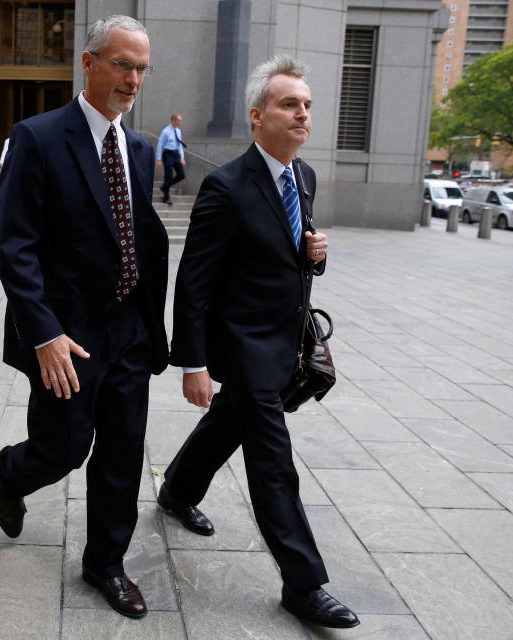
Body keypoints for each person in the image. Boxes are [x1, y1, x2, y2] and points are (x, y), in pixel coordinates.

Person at [158, 55, 359, 629]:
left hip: (284, 345)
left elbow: (288, 261)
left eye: (307, 106)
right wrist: (192, 362)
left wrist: (313, 254)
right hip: (244, 349)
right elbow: (193, 283)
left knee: (230, 425)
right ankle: (304, 583)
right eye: (289, 104)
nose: (302, 115)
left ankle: (176, 490)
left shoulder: (305, 177)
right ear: (257, 115)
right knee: (273, 465)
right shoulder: (225, 187)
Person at [0, 15, 168, 619]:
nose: (134, 79)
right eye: (123, 64)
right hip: (67, 336)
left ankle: (106, 564)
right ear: (89, 63)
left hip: (130, 332)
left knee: (122, 451)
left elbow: (139, 239)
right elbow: (15, 245)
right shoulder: (39, 138)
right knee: (62, 449)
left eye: (142, 68)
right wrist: (42, 333)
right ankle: (11, 474)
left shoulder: (138, 149)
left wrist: (154, 326)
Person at [155, 113, 185, 205]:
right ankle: (166, 197)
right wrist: (159, 158)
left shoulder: (178, 131)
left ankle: (165, 186)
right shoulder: (166, 131)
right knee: (168, 175)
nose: (180, 123)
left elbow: (179, 145)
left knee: (181, 175)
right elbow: (160, 144)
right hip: (167, 154)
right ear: (173, 120)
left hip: (176, 154)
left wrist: (182, 157)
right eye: (179, 121)